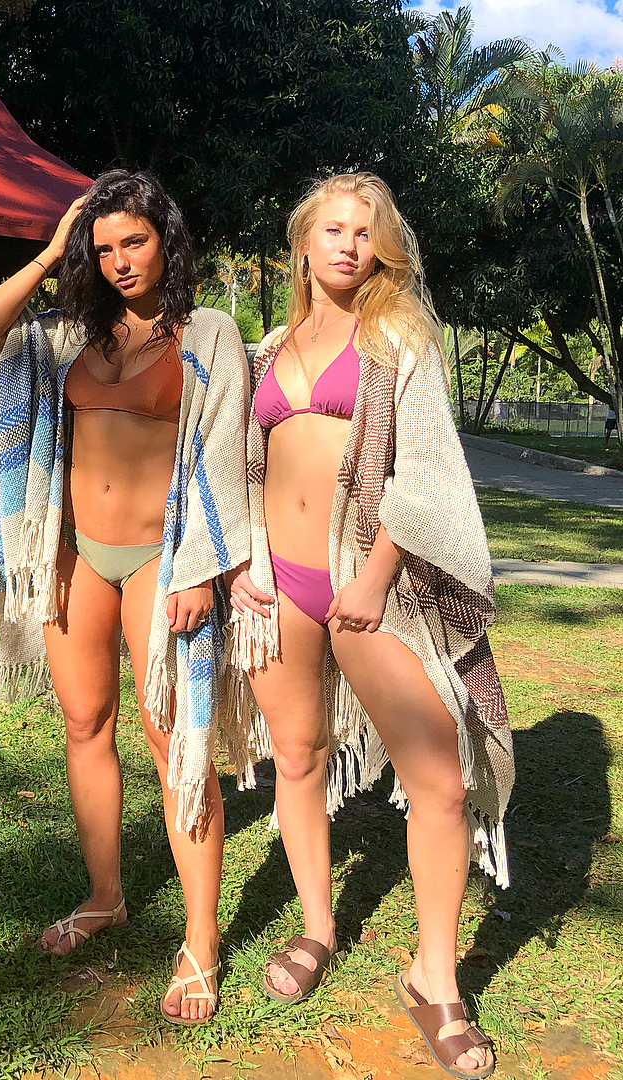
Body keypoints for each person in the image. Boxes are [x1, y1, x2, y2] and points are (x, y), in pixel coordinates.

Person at [227, 173, 514, 1079]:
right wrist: (241, 563)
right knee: (297, 757)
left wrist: (380, 571)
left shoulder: (400, 338)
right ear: (304, 244)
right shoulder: (269, 348)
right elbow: (237, 460)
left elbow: (425, 472)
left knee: (440, 780)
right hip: (276, 584)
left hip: (364, 582)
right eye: (333, 229)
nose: (348, 245)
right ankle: (317, 927)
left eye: (365, 231)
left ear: (382, 247)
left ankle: (436, 980)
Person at [0, 171, 253, 1025]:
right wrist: (52, 251)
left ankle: (200, 940)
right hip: (75, 554)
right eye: (103, 248)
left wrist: (199, 568)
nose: (121, 260)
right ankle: (105, 897)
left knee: (174, 742)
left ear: (167, 241)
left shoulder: (207, 331)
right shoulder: (68, 334)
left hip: (165, 558)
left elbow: (225, 456)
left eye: (135, 241)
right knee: (86, 724)